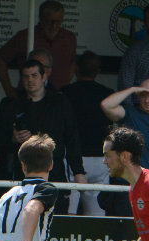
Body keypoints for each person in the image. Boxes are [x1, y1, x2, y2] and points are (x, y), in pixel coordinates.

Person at [0, 59, 86, 214]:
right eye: (26, 76)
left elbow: (72, 138)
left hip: (55, 172)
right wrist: (14, 139)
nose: (30, 80)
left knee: (56, 225)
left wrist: (78, 171)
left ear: (44, 77)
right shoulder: (13, 106)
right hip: (23, 175)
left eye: (34, 75)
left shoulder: (60, 102)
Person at [61, 51, 114, 216]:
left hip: (73, 159)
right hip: (101, 160)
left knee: (68, 213)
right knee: (97, 217)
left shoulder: (65, 94)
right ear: (98, 71)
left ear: (76, 68)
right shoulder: (108, 95)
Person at [0, 0, 76, 97]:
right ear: (41, 19)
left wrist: (66, 83)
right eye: (50, 21)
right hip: (29, 97)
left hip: (60, 97)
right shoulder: (25, 37)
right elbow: (0, 58)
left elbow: (72, 63)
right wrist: (9, 90)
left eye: (58, 22)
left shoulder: (69, 38)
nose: (54, 26)